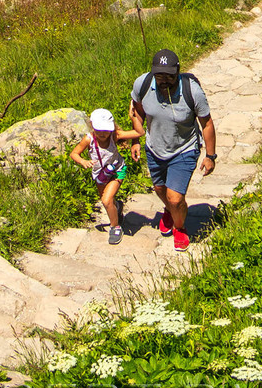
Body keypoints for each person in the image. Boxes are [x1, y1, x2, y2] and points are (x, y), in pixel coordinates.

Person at [129, 49, 216, 251]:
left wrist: (210, 155)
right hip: (154, 148)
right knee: (160, 189)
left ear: (178, 72)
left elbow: (207, 124)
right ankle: (169, 211)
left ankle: (180, 227)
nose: (164, 80)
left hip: (184, 148)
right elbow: (137, 111)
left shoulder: (192, 91)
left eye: (169, 75)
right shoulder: (142, 84)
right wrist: (136, 139)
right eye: (160, 75)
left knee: (175, 198)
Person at [68, 107, 128, 247]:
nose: (103, 133)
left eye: (106, 130)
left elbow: (139, 132)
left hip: (118, 170)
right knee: (107, 201)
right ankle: (117, 207)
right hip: (100, 174)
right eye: (99, 129)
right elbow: (74, 153)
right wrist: (83, 161)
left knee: (107, 200)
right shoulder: (89, 139)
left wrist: (133, 114)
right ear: (92, 125)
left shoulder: (114, 136)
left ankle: (115, 227)